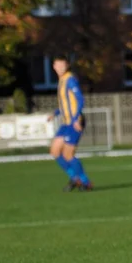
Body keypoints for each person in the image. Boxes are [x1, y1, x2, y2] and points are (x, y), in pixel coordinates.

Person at [46, 56, 93, 192]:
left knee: (68, 155)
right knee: (55, 151)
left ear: (67, 66)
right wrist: (55, 113)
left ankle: (85, 182)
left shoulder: (70, 79)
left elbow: (80, 100)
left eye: (63, 65)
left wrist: (77, 118)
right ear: (54, 66)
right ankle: (75, 178)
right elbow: (66, 104)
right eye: (57, 65)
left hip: (74, 122)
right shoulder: (61, 81)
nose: (60, 67)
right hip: (66, 122)